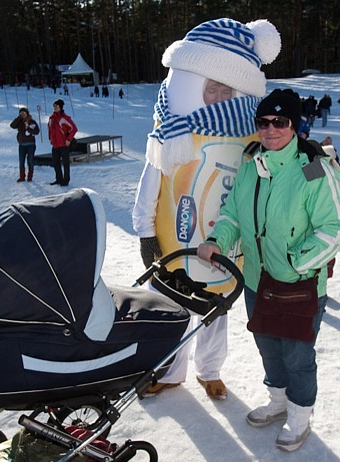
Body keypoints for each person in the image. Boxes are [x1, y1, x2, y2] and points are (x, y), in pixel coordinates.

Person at [132, 18, 281, 400]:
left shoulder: (250, 138)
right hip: (174, 242)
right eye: (209, 87)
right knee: (173, 309)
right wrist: (146, 231)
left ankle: (209, 369)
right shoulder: (170, 130)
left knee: (215, 309)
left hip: (225, 244)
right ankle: (170, 370)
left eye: (224, 89)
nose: (215, 96)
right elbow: (151, 181)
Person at [197, 88, 340, 451]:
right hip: (256, 279)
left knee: (297, 355)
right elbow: (233, 212)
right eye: (263, 122)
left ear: (295, 126)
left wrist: (297, 262)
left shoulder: (312, 168)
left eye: (280, 122)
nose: (270, 129)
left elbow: (335, 227)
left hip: (299, 283)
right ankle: (279, 403)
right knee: (267, 345)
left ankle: (299, 416)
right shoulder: (251, 165)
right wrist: (219, 240)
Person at [48, 99, 77, 186]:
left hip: (64, 145)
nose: (55, 108)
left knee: (65, 164)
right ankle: (59, 179)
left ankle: (66, 180)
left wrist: (68, 139)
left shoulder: (64, 118)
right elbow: (49, 129)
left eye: (57, 106)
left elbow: (74, 129)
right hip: (55, 145)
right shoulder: (51, 118)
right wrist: (50, 138)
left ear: (61, 107)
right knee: (56, 163)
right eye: (54, 106)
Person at [10, 107, 40, 182]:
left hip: (31, 145)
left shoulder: (32, 121)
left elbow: (37, 131)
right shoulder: (19, 121)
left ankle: (30, 177)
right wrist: (18, 118)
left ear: (27, 114)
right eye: (21, 114)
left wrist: (28, 129)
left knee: (30, 161)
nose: (23, 115)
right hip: (22, 145)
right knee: (21, 161)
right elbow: (12, 125)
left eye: (24, 113)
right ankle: (22, 177)